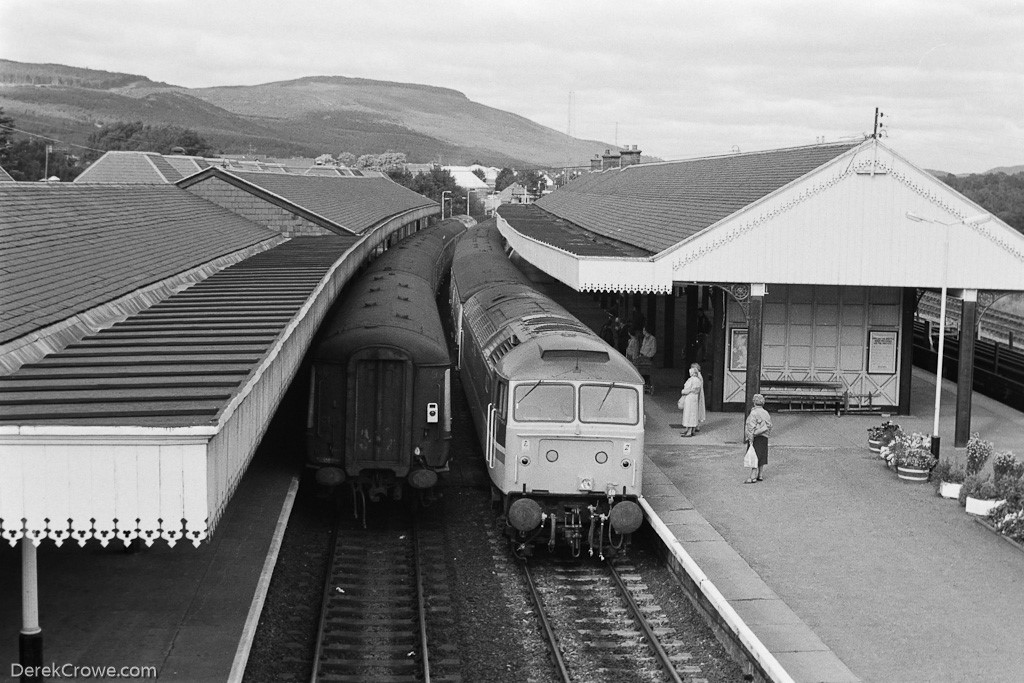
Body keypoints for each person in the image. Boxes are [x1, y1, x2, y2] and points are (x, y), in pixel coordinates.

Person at [744, 393, 773, 483]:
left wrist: (750, 437)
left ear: (754, 402)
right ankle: (760, 475)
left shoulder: (753, 413)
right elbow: (769, 425)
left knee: (754, 455)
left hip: (756, 436)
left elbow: (750, 426)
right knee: (762, 455)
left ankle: (753, 476)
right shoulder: (766, 413)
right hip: (764, 436)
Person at [678, 366, 703, 437]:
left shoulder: (693, 380)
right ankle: (691, 430)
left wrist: (683, 391)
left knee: (689, 414)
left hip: (690, 398)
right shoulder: (697, 380)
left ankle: (689, 431)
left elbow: (692, 390)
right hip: (692, 398)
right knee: (692, 414)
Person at [638, 328, 657, 393]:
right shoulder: (645, 338)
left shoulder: (652, 339)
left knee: (647, 372)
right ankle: (644, 383)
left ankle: (648, 384)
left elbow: (653, 349)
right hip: (642, 356)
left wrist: (648, 356)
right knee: (641, 371)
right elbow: (643, 347)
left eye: (644, 330)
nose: (643, 331)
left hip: (647, 358)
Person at [690, 362, 707, 430]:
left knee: (696, 409)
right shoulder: (698, 375)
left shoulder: (698, 376)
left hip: (697, 394)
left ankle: (696, 425)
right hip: (698, 394)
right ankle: (696, 425)